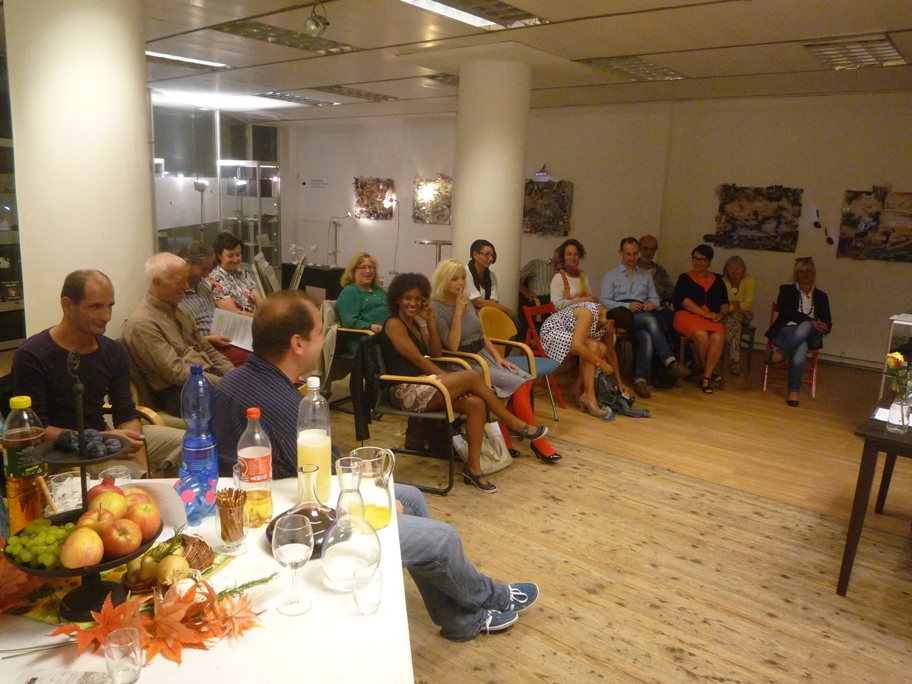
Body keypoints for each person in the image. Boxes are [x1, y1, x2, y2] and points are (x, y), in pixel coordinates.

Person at [212, 289, 539, 639]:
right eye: (320, 333)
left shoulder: (238, 381)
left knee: (411, 496)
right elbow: (326, 480)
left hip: (279, 500)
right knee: (442, 539)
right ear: (297, 344)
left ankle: (458, 620)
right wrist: (369, 503)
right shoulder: (283, 405)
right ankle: (489, 598)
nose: (323, 340)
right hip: (294, 528)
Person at [381, 273, 547, 493]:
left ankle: (474, 469)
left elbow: (435, 352)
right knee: (470, 376)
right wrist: (444, 379)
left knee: (476, 404)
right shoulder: (394, 323)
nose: (413, 303)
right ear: (397, 299)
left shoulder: (414, 325)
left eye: (418, 299)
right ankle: (513, 423)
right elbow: (418, 360)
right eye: (407, 298)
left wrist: (429, 321)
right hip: (404, 389)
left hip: (425, 385)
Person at [12, 270, 183, 477]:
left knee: (192, 445)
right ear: (67, 305)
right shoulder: (32, 355)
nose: (106, 316)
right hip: (63, 451)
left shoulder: (113, 351)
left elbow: (126, 413)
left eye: (109, 306)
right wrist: (103, 439)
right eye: (96, 307)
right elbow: (38, 431)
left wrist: (141, 463)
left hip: (105, 438)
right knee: (127, 473)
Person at [430, 260, 561, 463]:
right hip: (464, 363)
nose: (460, 283)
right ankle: (538, 442)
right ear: (443, 280)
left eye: (463, 278)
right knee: (518, 383)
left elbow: (481, 334)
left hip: (484, 355)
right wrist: (457, 313)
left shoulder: (465, 300)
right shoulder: (437, 309)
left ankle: (505, 431)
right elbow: (452, 346)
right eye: (454, 279)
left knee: (526, 379)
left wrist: (498, 357)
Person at [123, 252, 234, 415]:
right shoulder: (142, 324)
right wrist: (226, 385)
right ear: (157, 282)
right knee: (249, 407)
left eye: (186, 279)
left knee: (258, 391)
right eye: (179, 282)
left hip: (207, 378)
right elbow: (176, 373)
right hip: (181, 391)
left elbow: (207, 349)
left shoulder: (180, 309)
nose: (186, 286)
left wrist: (233, 376)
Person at [600, 237, 691, 398]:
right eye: (628, 254)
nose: (632, 257)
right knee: (650, 320)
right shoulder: (611, 275)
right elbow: (604, 301)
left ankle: (640, 380)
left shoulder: (645, 276)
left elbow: (655, 298)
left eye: (635, 254)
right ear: (621, 252)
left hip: (640, 315)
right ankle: (669, 361)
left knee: (646, 336)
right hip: (620, 317)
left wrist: (651, 303)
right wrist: (627, 306)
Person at [539, 301, 633, 418]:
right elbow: (577, 346)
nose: (617, 335)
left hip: (571, 336)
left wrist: (619, 382)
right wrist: (601, 363)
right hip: (552, 332)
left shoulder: (607, 324)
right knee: (593, 346)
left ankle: (578, 388)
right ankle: (588, 396)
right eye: (618, 332)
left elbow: (610, 353)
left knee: (602, 348)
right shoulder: (588, 314)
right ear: (611, 322)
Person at [765, 257, 832, 407]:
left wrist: (824, 326)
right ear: (796, 274)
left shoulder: (821, 296)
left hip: (812, 335)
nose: (805, 274)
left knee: (806, 326)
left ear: (813, 273)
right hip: (785, 331)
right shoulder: (786, 290)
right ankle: (793, 391)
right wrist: (809, 321)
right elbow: (786, 312)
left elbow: (828, 320)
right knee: (801, 345)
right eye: (801, 271)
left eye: (808, 271)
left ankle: (779, 354)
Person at [178, 241, 249, 367]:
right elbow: (180, 340)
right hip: (207, 346)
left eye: (208, 269)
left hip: (224, 337)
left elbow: (214, 311)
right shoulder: (176, 295)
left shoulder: (202, 284)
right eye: (203, 269)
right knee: (255, 358)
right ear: (186, 264)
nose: (206, 274)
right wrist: (208, 339)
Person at [673, 245, 730, 394]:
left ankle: (706, 376)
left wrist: (722, 314)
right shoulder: (684, 278)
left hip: (711, 317)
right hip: (687, 316)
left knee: (718, 337)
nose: (697, 262)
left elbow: (725, 302)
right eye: (695, 259)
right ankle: (707, 372)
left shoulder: (718, 279)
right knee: (702, 335)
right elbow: (683, 301)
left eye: (702, 259)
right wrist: (704, 314)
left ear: (709, 261)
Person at [335, 252, 389, 355]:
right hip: (366, 341)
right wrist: (371, 326)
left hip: (388, 336)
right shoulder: (350, 292)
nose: (368, 271)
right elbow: (349, 321)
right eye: (363, 267)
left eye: (371, 267)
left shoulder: (378, 290)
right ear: (353, 271)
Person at [208, 231, 264, 317]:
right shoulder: (215, 280)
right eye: (230, 256)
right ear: (219, 255)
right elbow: (235, 315)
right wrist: (262, 317)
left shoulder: (242, 273)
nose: (235, 260)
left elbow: (261, 303)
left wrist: (264, 315)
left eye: (238, 255)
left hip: (257, 319)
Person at [721, 255, 755, 376]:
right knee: (734, 323)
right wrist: (740, 309)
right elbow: (722, 303)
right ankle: (735, 361)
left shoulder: (749, 281)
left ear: (743, 269)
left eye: (738, 268)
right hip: (726, 315)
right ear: (726, 270)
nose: (734, 272)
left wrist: (733, 307)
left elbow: (748, 304)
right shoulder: (722, 282)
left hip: (744, 317)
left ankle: (720, 347)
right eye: (730, 269)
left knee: (735, 318)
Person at [464, 239, 515, 317]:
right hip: (467, 313)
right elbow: (478, 302)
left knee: (508, 317)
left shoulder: (491, 276)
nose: (491, 259)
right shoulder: (465, 272)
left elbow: (493, 302)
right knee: (510, 315)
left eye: (492, 255)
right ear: (475, 255)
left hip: (485, 312)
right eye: (487, 254)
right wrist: (507, 309)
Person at [637, 234, 676, 333]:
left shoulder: (659, 271)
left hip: (658, 308)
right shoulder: (631, 269)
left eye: (652, 249)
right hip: (637, 309)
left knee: (672, 319)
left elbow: (670, 292)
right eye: (645, 249)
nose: (648, 253)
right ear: (639, 248)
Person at [550, 238, 597, 310]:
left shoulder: (583, 275)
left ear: (579, 256)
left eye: (576, 254)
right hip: (566, 313)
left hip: (585, 310)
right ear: (563, 256)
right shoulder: (559, 277)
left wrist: (592, 299)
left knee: (605, 313)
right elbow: (556, 305)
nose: (572, 257)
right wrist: (581, 300)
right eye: (569, 254)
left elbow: (588, 296)